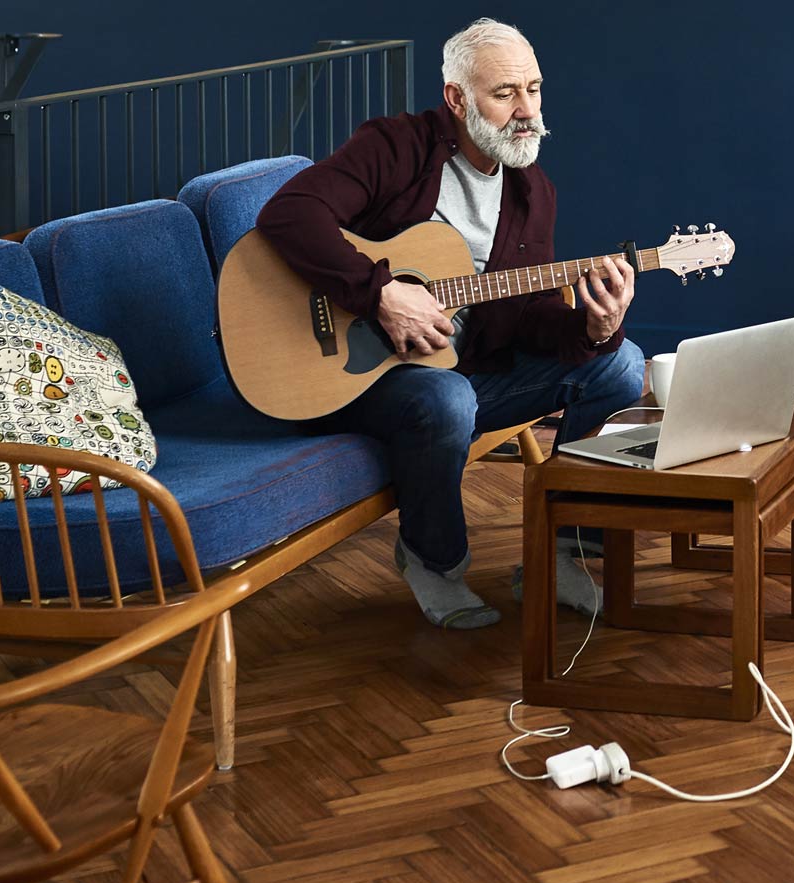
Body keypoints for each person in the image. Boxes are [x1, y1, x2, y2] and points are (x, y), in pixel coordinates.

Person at [256, 17, 645, 629]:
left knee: (621, 363)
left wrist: (593, 329)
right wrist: (379, 292)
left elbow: (529, 315)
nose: (527, 110)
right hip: (352, 376)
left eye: (535, 89)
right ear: (457, 98)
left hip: (464, 370)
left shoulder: (530, 189)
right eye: (505, 93)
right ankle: (431, 563)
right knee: (446, 396)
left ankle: (565, 553)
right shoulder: (395, 147)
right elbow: (290, 212)